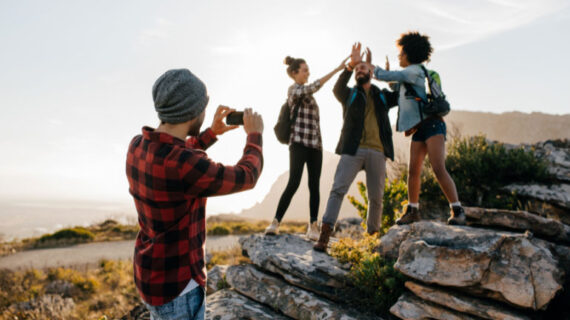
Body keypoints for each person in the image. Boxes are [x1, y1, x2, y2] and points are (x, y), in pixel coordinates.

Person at [126, 69, 264, 320]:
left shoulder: (137, 146)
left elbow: (175, 154)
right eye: (203, 107)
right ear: (192, 113)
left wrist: (210, 134)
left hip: (149, 275)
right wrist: (254, 136)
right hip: (179, 287)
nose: (204, 112)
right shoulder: (185, 163)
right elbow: (247, 176)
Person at [368, 32, 466, 225]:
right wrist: (389, 77)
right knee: (413, 171)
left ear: (409, 54)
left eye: (401, 53)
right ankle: (413, 210)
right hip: (419, 128)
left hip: (433, 125)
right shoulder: (409, 75)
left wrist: (370, 66)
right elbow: (398, 88)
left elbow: (391, 76)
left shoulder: (414, 70)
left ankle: (457, 210)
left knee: (438, 168)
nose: (399, 57)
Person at [313, 44, 399, 252]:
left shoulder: (381, 95)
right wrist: (349, 66)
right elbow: (336, 88)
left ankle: (372, 240)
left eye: (364, 68)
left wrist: (385, 76)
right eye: (357, 69)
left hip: (378, 151)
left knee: (376, 197)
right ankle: (324, 235)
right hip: (352, 149)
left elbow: (399, 95)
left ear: (371, 72)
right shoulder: (349, 94)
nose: (360, 71)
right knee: (338, 190)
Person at [265, 56, 348, 240]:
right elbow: (315, 86)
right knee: (293, 182)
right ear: (295, 73)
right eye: (304, 70)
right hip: (298, 143)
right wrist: (337, 69)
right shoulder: (293, 90)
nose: (308, 72)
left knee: (314, 185)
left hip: (315, 145)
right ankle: (275, 222)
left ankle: (313, 226)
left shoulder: (309, 96)